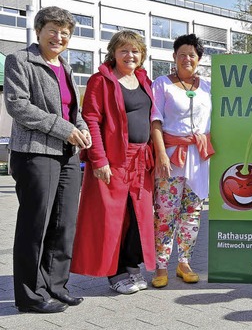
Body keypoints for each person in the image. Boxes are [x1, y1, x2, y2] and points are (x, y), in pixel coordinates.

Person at [4, 6, 90, 313]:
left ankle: (55, 286)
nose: (59, 37)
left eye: (65, 33)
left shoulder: (64, 66)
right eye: (53, 30)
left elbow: (72, 110)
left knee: (63, 225)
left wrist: (81, 128)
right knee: (35, 226)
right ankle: (30, 296)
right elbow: (18, 106)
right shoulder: (20, 60)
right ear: (39, 30)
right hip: (35, 153)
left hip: (67, 154)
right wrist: (66, 129)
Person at [71, 30, 157, 295]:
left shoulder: (144, 80)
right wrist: (99, 159)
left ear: (141, 54)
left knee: (138, 217)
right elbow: (92, 120)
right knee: (112, 218)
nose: (130, 55)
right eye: (124, 50)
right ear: (114, 53)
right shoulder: (101, 80)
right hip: (113, 159)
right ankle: (115, 271)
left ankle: (132, 265)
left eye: (135, 50)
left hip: (141, 160)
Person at [150, 34, 213, 288]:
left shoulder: (208, 86)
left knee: (192, 213)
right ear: (174, 57)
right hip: (172, 156)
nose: (187, 59)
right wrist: (161, 153)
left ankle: (184, 262)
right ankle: (161, 265)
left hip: (198, 157)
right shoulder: (161, 84)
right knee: (165, 213)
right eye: (182, 54)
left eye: (192, 55)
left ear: (199, 59)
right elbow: (155, 120)